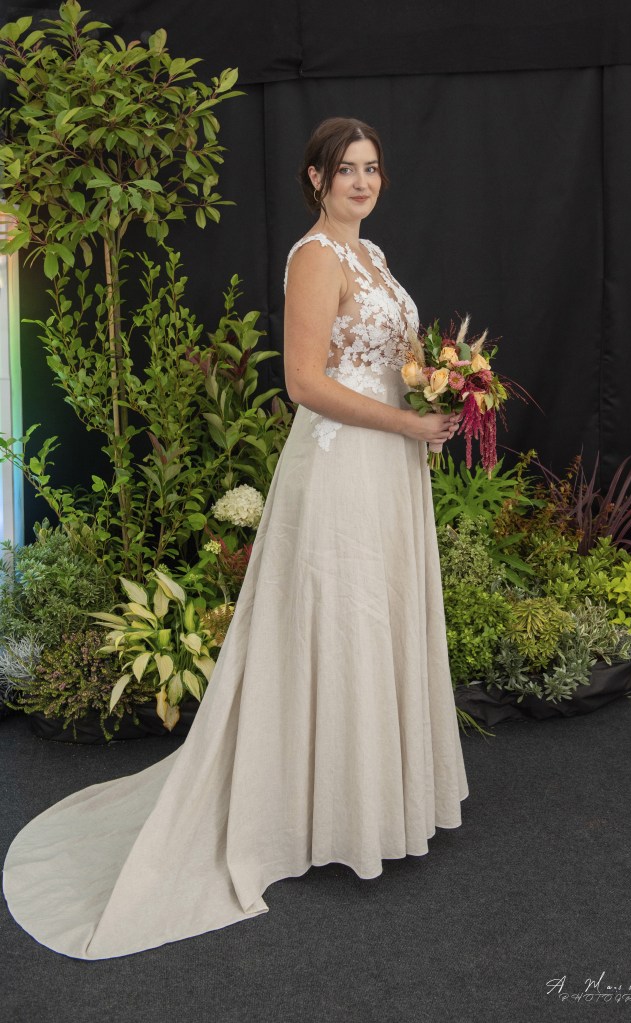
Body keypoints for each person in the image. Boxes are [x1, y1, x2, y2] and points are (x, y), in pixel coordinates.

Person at [2, 116, 470, 960]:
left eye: (371, 168)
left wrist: (434, 400)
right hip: (340, 469)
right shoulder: (315, 258)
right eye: (345, 170)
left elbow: (388, 361)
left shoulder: (374, 258)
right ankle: (315, 812)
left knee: (377, 620)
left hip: (390, 468)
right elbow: (303, 383)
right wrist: (407, 423)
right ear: (315, 179)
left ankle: (371, 798)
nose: (361, 182)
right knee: (339, 623)